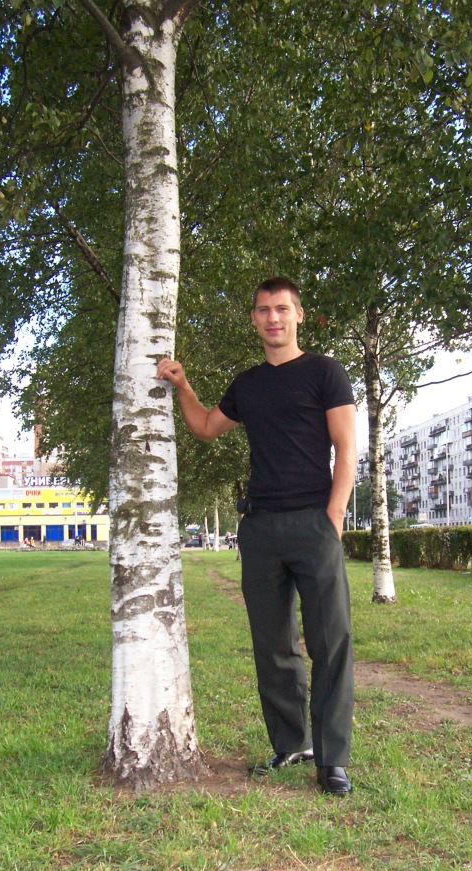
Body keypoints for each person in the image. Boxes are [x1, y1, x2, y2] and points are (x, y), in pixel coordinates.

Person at [157, 277, 356, 795]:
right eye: (264, 310)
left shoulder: (325, 373)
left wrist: (333, 518)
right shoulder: (247, 384)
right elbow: (205, 427)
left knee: (329, 641)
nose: (273, 318)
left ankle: (332, 759)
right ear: (253, 319)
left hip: (314, 522)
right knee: (272, 645)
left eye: (282, 309)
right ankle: (292, 744)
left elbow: (346, 449)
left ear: (299, 315)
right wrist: (183, 386)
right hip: (261, 528)